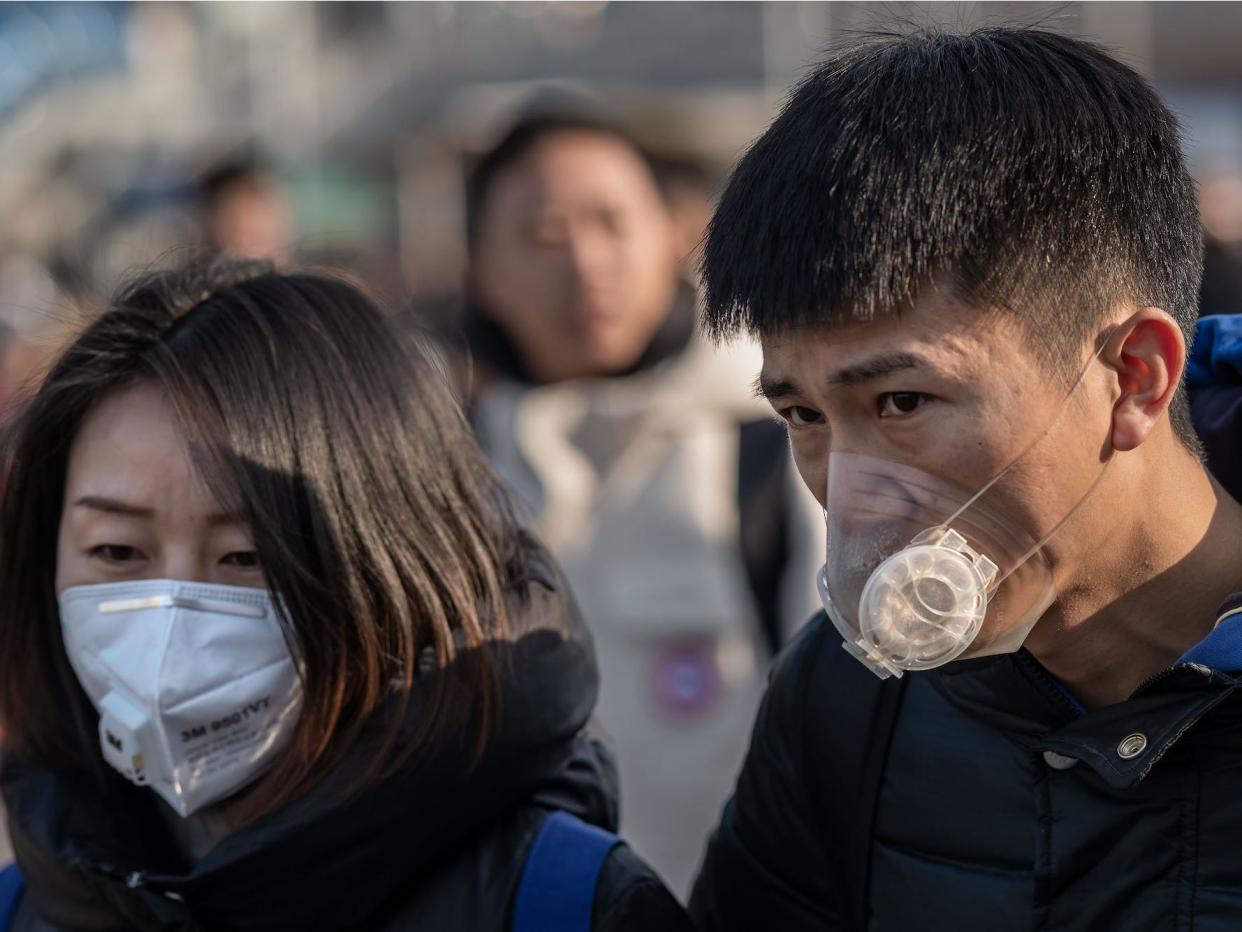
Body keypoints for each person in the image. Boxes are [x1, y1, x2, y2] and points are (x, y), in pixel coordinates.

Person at [690, 27, 1242, 931]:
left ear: (1134, 375)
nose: (854, 488)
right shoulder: (845, 700)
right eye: (804, 416)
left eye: (903, 402)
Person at [0, 257, 691, 932]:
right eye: (116, 551)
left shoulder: (566, 904)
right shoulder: (25, 906)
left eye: (246, 556)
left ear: (393, 558)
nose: (170, 623)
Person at [461, 113, 821, 897]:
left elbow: (844, 739)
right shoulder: (449, 479)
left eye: (610, 222)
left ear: (673, 235)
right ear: (481, 270)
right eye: (543, 234)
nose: (585, 262)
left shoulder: (778, 445)